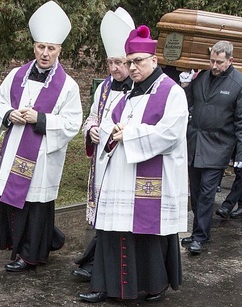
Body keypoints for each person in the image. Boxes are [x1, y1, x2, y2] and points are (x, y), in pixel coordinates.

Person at [77, 25, 188, 303]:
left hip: (153, 178)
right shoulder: (129, 93)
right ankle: (105, 286)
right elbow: (106, 124)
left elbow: (171, 134)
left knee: (146, 235)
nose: (132, 67)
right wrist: (110, 132)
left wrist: (131, 134)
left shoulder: (172, 92)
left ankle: (153, 285)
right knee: (113, 231)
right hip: (121, 176)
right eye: (129, 62)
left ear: (154, 60)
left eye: (137, 61)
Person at [0, 1, 82, 272]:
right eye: (41, 47)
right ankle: (24, 246)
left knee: (35, 206)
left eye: (51, 48)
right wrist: (9, 115)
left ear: (59, 50)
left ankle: (30, 255)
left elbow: (72, 122)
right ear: (34, 47)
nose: (45, 53)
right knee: (14, 203)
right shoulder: (17, 75)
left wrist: (39, 119)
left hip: (41, 155)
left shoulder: (68, 86)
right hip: (15, 147)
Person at [71, 8, 135, 281]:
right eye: (110, 62)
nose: (113, 69)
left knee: (116, 218)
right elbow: (92, 117)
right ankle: (95, 261)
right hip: (101, 160)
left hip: (124, 160)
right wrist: (92, 130)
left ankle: (100, 264)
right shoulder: (104, 88)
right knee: (101, 216)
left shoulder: (139, 87)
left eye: (119, 62)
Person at [185, 40, 242, 255]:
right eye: (212, 61)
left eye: (219, 62)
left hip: (218, 145)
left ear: (230, 60)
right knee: (195, 192)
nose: (214, 66)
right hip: (195, 142)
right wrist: (186, 85)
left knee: (207, 193)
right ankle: (200, 230)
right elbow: (188, 103)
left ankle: (200, 236)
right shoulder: (202, 78)